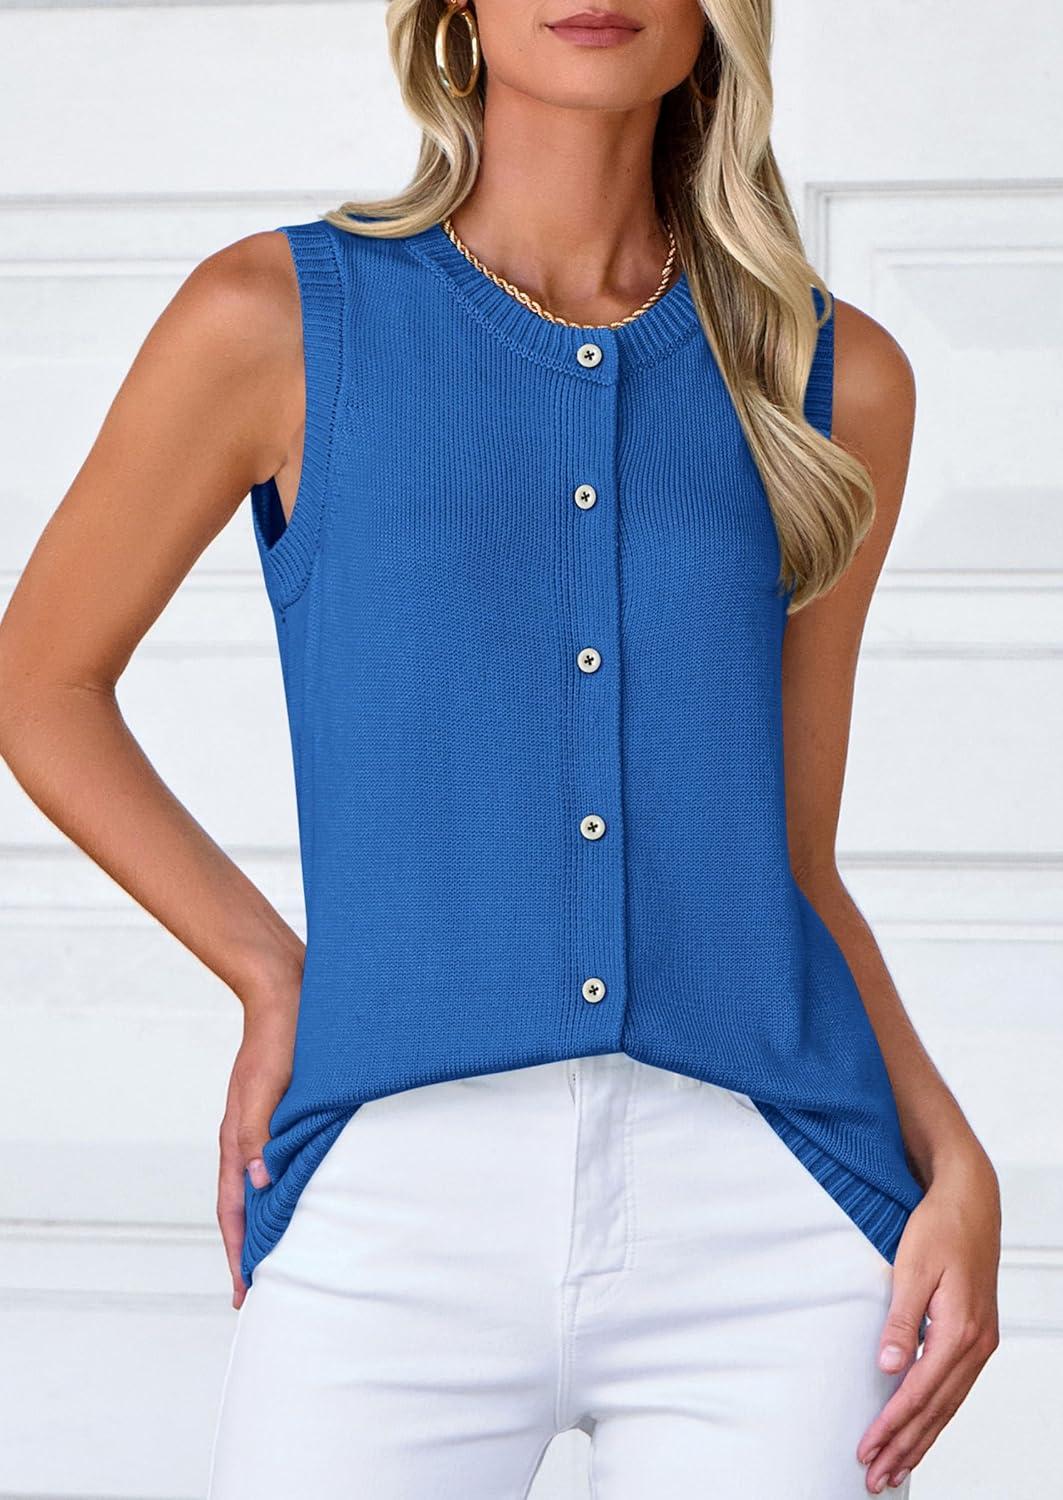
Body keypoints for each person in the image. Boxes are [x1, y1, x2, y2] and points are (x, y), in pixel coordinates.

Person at [0, 1, 1001, 1496]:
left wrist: (952, 1154)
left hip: (771, 1226)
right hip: (395, 1199)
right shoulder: (277, 319)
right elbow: (40, 683)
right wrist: (273, 973)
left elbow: (790, 857)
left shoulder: (832, 380)